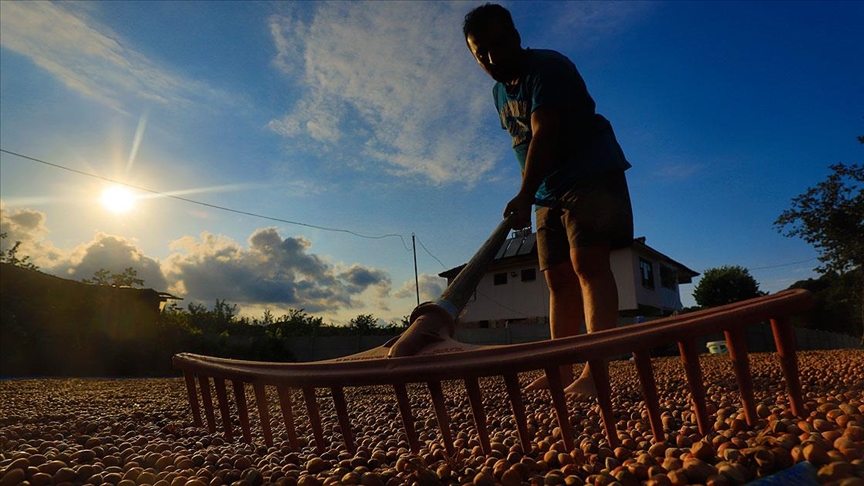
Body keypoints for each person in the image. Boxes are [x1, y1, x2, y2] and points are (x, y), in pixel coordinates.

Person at [463, 4, 634, 396]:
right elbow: (521, 142)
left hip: (589, 173)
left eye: (498, 44)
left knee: (587, 264)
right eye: (480, 53)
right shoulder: (497, 91)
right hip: (547, 190)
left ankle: (597, 372)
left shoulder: (548, 67)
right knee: (556, 276)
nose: (491, 58)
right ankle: (560, 368)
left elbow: (545, 133)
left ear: (516, 37)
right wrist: (532, 194)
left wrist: (524, 194)